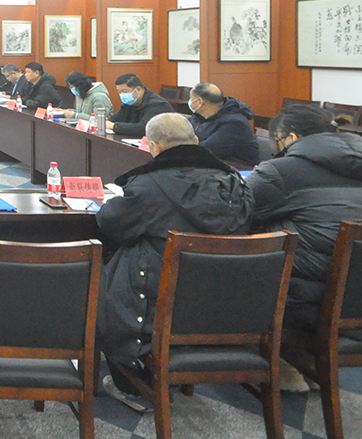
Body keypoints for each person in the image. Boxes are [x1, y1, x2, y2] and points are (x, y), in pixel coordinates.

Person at [96, 114, 254, 413]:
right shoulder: (236, 183)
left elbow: (111, 224)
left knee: (107, 269)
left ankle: (132, 386)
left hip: (157, 300)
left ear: (153, 147)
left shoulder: (147, 186)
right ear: (195, 141)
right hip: (224, 298)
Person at [247, 104, 362, 389]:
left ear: (291, 137)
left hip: (309, 298)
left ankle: (267, 357)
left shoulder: (281, 171)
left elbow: (239, 210)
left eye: (276, 142)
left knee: (237, 255)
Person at [188, 83, 259, 166]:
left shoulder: (235, 124)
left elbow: (205, 152)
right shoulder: (199, 117)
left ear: (200, 102)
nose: (189, 101)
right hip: (212, 166)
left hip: (239, 169)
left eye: (190, 98)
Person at [107, 73, 174, 138]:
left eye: (125, 91)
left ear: (138, 89)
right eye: (119, 92)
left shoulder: (157, 104)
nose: (122, 94)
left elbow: (144, 128)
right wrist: (106, 121)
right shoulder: (129, 102)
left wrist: (114, 126)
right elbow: (116, 118)